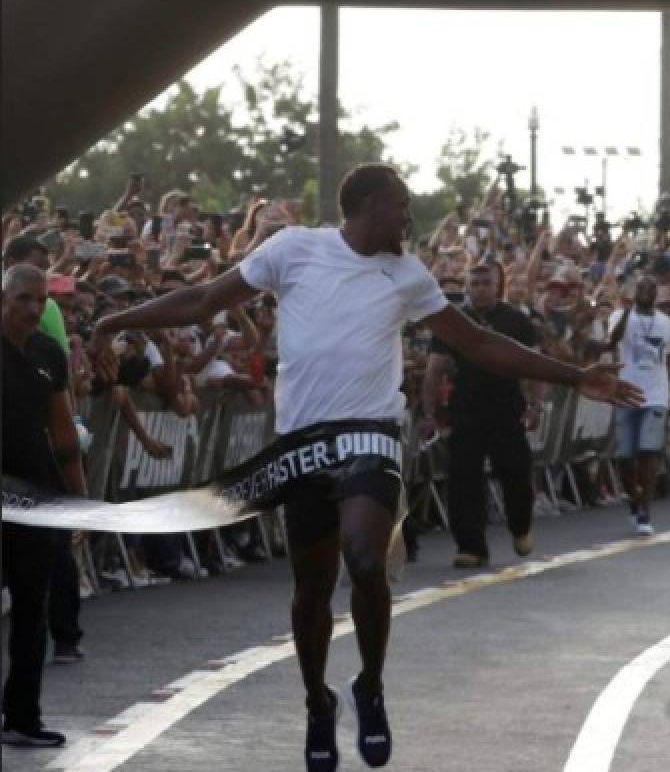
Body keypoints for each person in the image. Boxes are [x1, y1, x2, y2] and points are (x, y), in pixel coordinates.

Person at [90, 163, 641, 772]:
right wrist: (115, 321)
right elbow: (202, 300)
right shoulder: (294, 249)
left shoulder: (406, 274)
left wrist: (574, 376)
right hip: (303, 442)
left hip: (371, 435)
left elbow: (479, 342)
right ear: (368, 204)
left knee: (365, 560)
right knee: (311, 592)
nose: (409, 217)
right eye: (401, 204)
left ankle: (371, 686)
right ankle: (317, 701)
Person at [2, 264, 87, 748]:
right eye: (22, 300)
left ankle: (22, 716)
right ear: (3, 299)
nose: (33, 310)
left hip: (35, 498)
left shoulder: (48, 353)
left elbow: (63, 436)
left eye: (39, 301)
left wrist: (79, 501)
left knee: (32, 607)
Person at [421, 261, 542, 567]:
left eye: (485, 283)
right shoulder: (453, 321)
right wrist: (429, 412)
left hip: (506, 407)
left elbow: (534, 366)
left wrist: (535, 404)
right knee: (464, 478)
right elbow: (434, 369)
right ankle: (471, 546)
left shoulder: (516, 321)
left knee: (515, 471)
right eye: (473, 283)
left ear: (498, 286)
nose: (479, 289)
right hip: (467, 409)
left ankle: (521, 525)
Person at [606, 275, 670, 536]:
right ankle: (634, 498)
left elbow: (668, 352)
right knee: (624, 456)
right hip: (626, 391)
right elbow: (612, 341)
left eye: (650, 288)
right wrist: (625, 311)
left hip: (656, 394)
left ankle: (645, 508)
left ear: (656, 293)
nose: (645, 292)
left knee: (649, 452)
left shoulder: (666, 323)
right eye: (641, 288)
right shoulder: (619, 316)